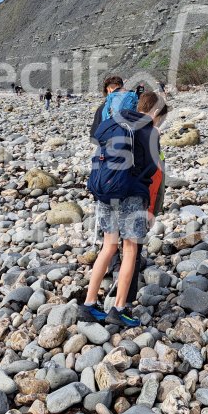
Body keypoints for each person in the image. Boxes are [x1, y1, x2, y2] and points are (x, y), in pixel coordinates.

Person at [79, 91, 168, 327]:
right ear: (156, 112)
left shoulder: (111, 123)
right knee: (130, 249)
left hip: (106, 191)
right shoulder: (148, 130)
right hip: (132, 195)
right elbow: (152, 169)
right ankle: (119, 309)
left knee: (108, 248)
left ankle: (89, 304)